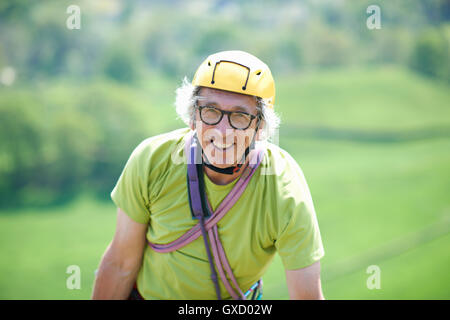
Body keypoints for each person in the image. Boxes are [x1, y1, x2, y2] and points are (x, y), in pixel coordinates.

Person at [91, 50, 325, 300]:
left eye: (240, 116)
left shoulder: (284, 188)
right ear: (192, 117)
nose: (223, 131)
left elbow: (306, 296)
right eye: (211, 111)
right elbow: (120, 264)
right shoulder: (152, 160)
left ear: (259, 128)